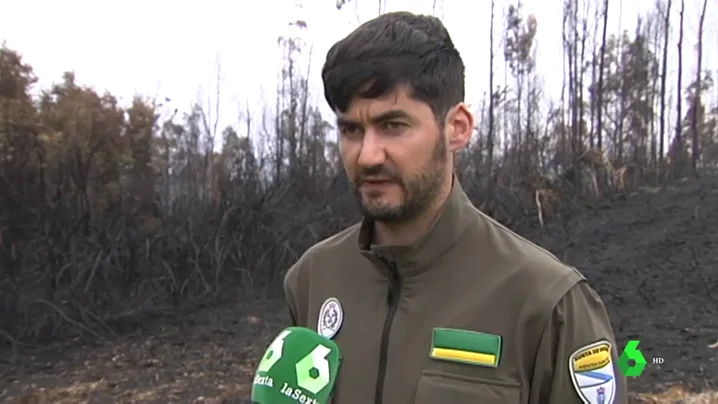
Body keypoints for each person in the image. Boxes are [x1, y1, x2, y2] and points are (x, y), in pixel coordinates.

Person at [283, 11, 627, 404]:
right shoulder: (313, 280)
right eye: (351, 130)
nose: (368, 155)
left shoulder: (546, 302)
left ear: (457, 128)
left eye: (393, 125)